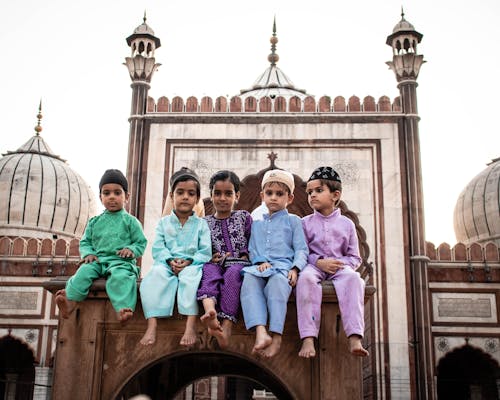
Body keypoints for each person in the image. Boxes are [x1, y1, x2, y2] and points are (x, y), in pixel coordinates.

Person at [55, 169, 147, 323]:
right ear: (100, 197)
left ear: (127, 197)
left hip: (120, 262)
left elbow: (140, 242)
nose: (112, 197)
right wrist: (88, 254)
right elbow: (85, 242)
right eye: (107, 193)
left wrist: (131, 250)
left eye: (117, 193)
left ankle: (123, 309)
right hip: (98, 261)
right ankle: (70, 301)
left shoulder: (131, 221)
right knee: (83, 271)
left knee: (121, 278)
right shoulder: (94, 222)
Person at [296, 166, 369, 358]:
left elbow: (355, 258)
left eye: (318, 191)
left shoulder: (347, 224)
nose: (312, 195)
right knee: (305, 280)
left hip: (339, 269)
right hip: (313, 267)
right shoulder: (305, 223)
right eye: (310, 192)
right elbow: (302, 252)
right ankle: (308, 338)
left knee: (355, 280)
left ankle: (354, 337)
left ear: (335, 195)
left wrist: (337, 264)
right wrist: (319, 262)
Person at [139, 167, 211, 347]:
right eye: (180, 192)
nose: (185, 197)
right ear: (172, 196)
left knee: (191, 278)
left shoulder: (202, 225)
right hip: (166, 263)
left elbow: (205, 251)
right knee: (154, 277)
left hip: (192, 264)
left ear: (196, 199)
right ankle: (152, 323)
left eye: (191, 193)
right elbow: (158, 248)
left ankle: (190, 325)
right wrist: (170, 261)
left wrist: (189, 262)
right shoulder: (163, 223)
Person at [240, 169, 308, 358]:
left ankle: (277, 337)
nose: (274, 198)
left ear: (290, 198)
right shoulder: (256, 223)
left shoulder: (294, 221)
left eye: (280, 194)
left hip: (283, 268)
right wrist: (259, 261)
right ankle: (261, 332)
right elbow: (253, 247)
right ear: (262, 196)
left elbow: (301, 249)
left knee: (278, 284)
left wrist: (295, 268)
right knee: (249, 280)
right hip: (261, 268)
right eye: (269, 193)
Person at [197, 170, 252, 348]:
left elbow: (253, 240)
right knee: (208, 272)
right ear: (211, 195)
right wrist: (210, 256)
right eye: (217, 193)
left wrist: (245, 254)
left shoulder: (244, 217)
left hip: (239, 265)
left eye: (228, 193)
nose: (222, 198)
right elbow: (200, 247)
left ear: (237, 196)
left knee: (232, 276)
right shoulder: (204, 223)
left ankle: (226, 325)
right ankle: (210, 311)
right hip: (215, 263)